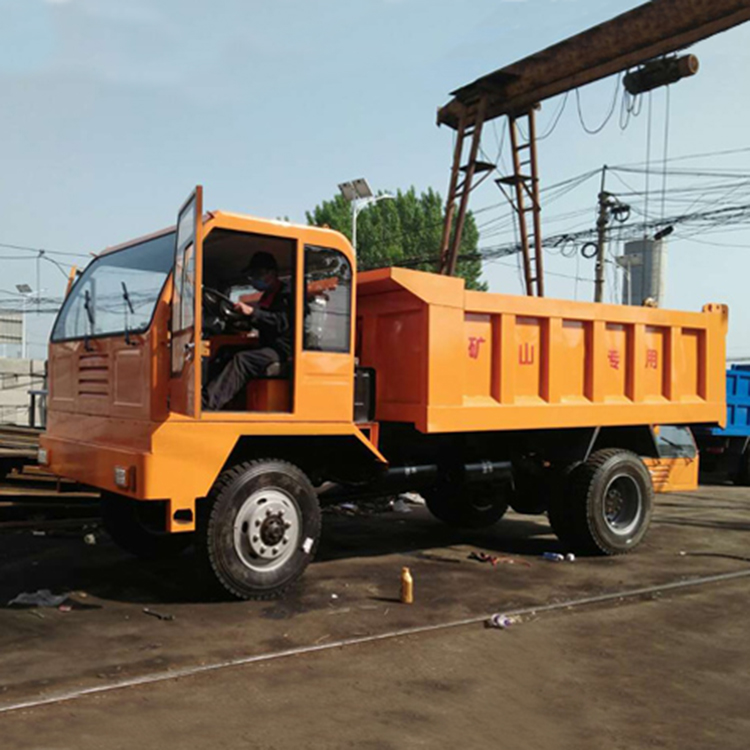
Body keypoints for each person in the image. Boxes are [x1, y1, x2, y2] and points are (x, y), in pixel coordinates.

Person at [202, 251, 291, 411]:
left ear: (271, 273)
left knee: (242, 360)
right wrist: (242, 318)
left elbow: (282, 323)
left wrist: (252, 313)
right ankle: (222, 404)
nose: (254, 280)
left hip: (284, 349)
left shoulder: (287, 294)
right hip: (267, 345)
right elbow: (262, 322)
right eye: (252, 276)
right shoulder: (267, 296)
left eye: (257, 274)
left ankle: (207, 405)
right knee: (223, 352)